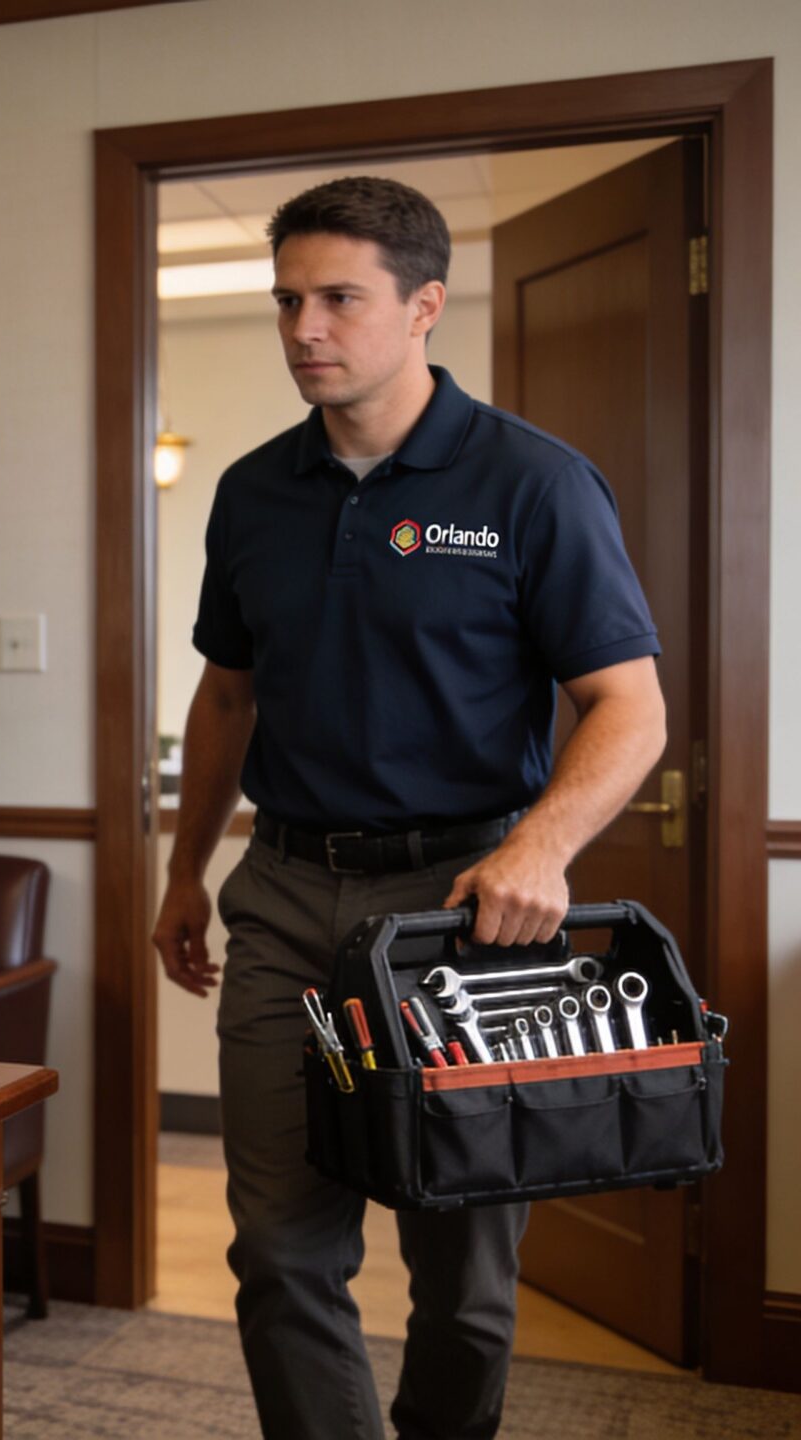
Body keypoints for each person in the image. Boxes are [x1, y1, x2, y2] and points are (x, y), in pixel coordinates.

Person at [150, 177, 666, 1439]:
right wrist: (183, 874)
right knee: (280, 1252)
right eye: (286, 300)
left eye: (337, 298)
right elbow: (227, 697)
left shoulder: (533, 484)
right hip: (282, 896)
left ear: (424, 305)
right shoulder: (252, 491)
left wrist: (540, 847)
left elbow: (628, 706)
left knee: (466, 1281)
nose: (303, 328)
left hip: (464, 916)